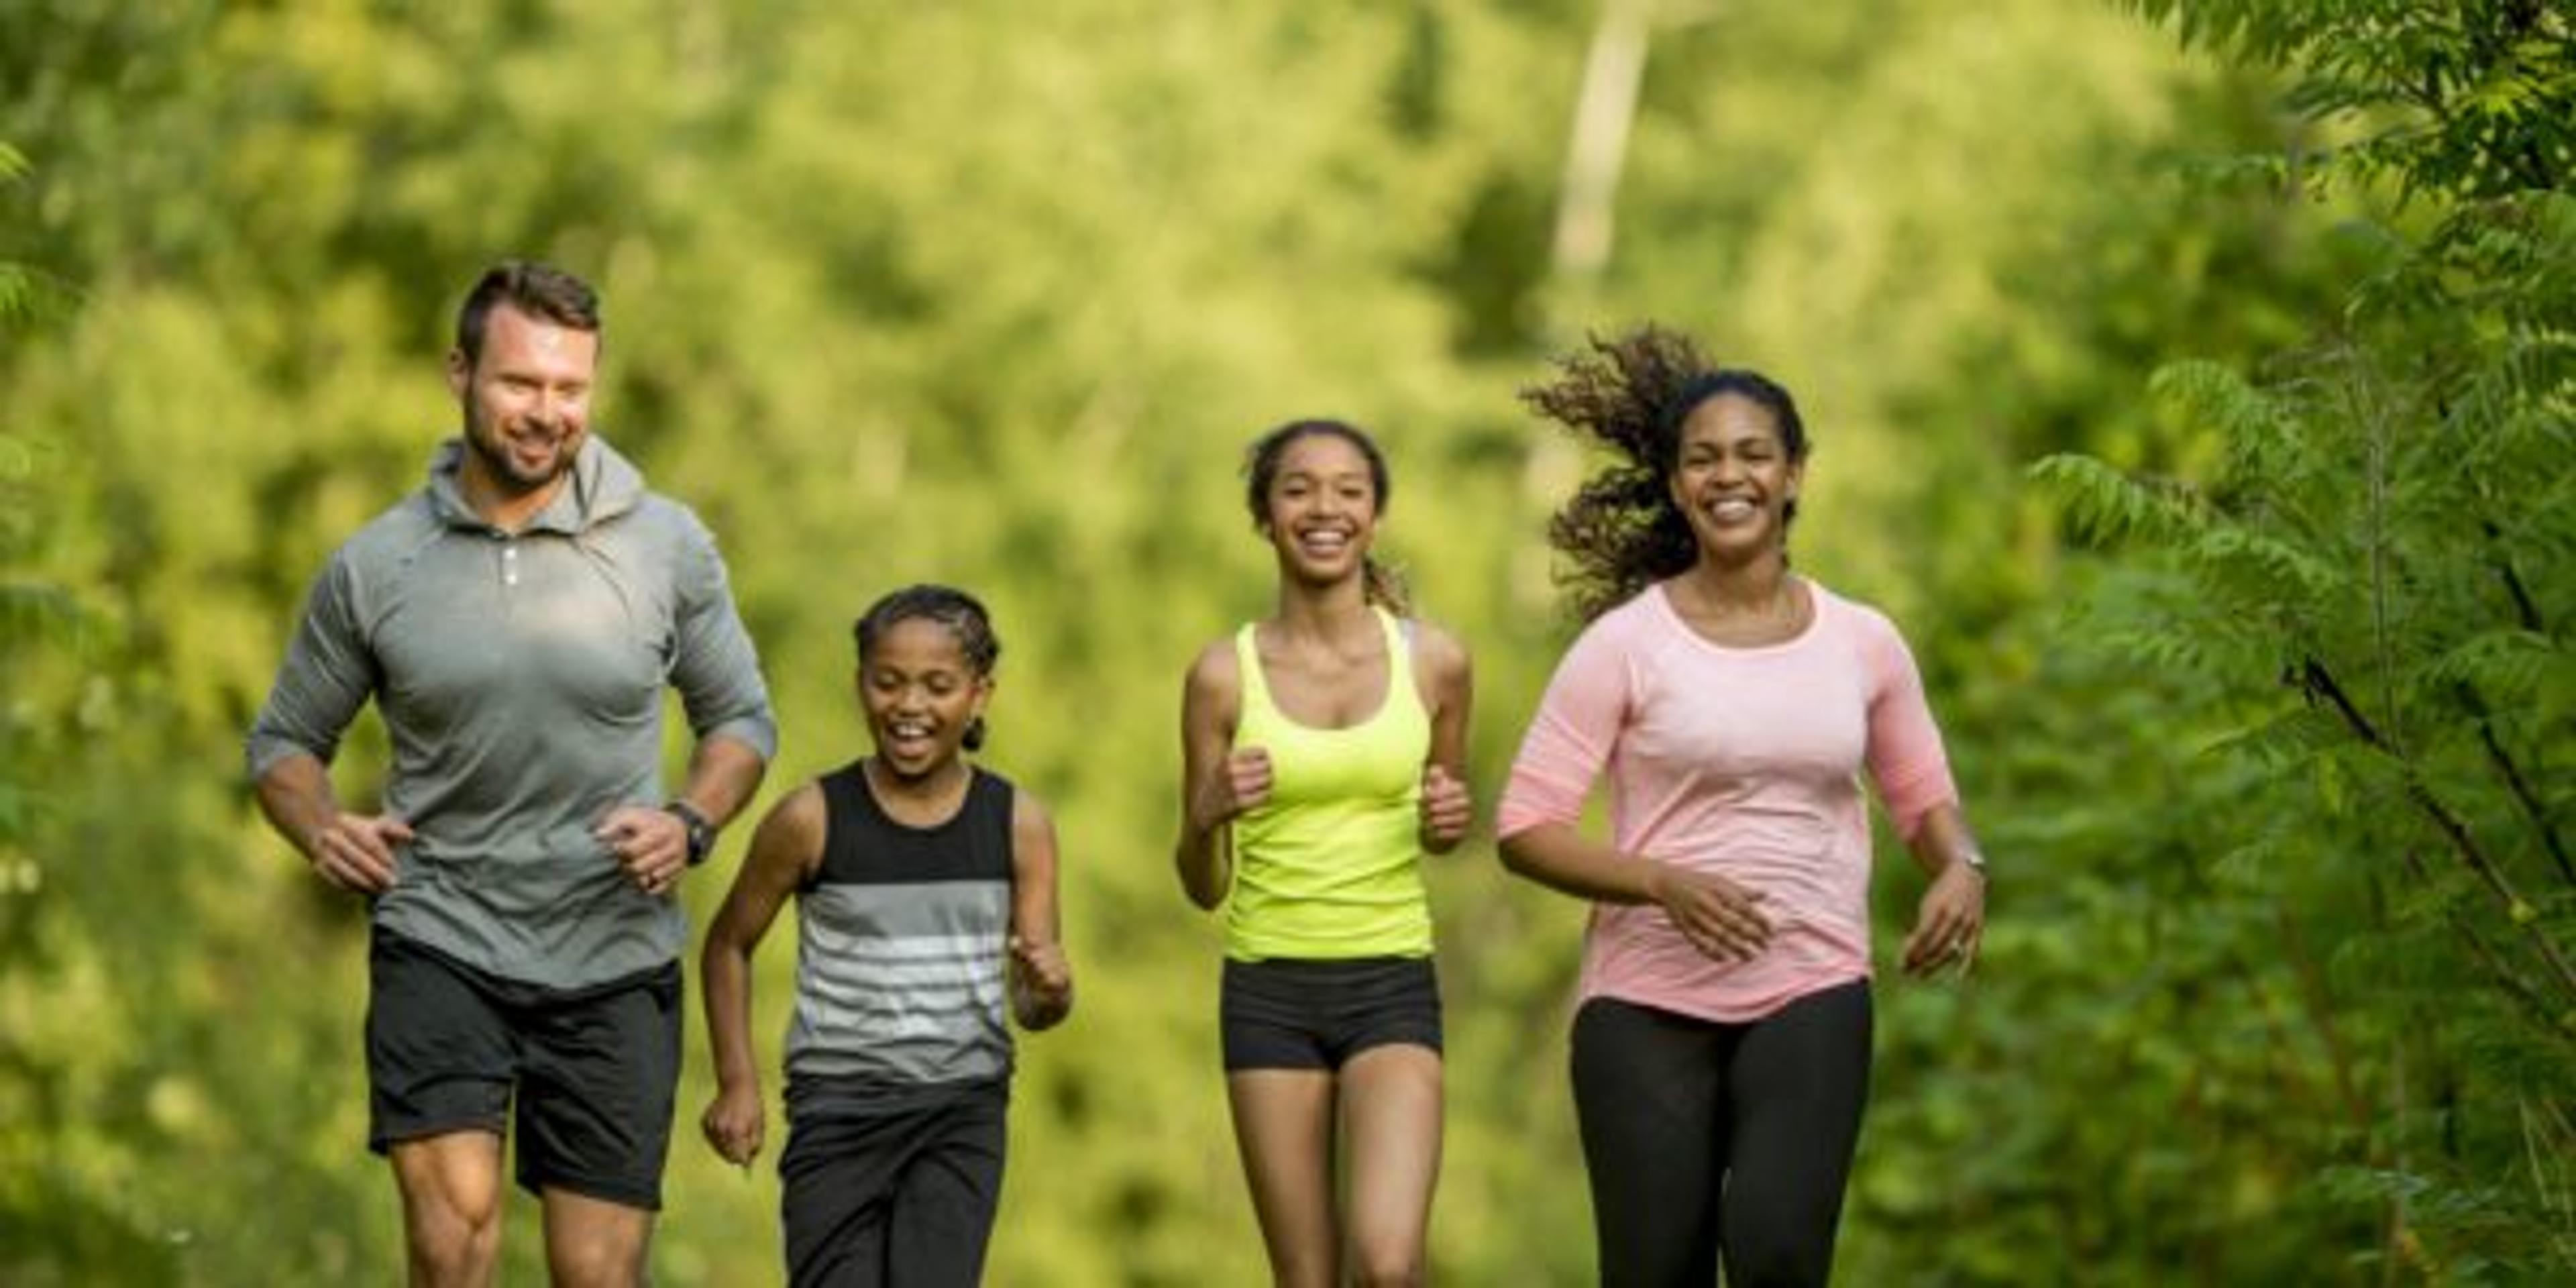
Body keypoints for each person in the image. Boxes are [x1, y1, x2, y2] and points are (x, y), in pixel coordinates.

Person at [244, 261, 776, 1287]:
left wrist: (691, 822)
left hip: (614, 952)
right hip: (442, 930)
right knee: (455, 1243)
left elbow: (741, 720)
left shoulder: (667, 546)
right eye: (521, 385)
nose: (547, 413)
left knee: (597, 1275)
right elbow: (282, 746)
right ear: (460, 374)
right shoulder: (379, 565)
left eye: (570, 389)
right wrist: (320, 826)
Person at [1494, 327, 1990, 1287]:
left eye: (1755, 455)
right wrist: (1658, 882)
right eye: (1705, 458)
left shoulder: (1864, 641)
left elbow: (1926, 801)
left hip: (1812, 979)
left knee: (1778, 1253)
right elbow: (1525, 827)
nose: (1731, 476)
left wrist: (1964, 869)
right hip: (1644, 1004)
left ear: (1794, 474)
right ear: (1679, 486)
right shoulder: (1624, 645)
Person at [1172, 419, 1474, 1288]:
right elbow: (1201, 884)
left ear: (1375, 515)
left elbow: (1443, 822)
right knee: (1305, 1280)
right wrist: (1205, 815)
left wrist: (1448, 823)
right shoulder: (1221, 678)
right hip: (1269, 990)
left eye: (1350, 489)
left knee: (1387, 1266)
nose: (1324, 507)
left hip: (1391, 983)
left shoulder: (1438, 664)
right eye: (1298, 487)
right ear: (1266, 516)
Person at [700, 585, 1074, 1288]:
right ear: (861, 685)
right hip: (838, 1114)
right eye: (888, 682)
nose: (910, 706)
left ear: (979, 695)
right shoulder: (811, 818)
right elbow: (728, 944)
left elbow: (1035, 1007)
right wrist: (737, 1081)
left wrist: (1051, 989)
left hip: (960, 1113)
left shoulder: (1019, 824)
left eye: (939, 686)